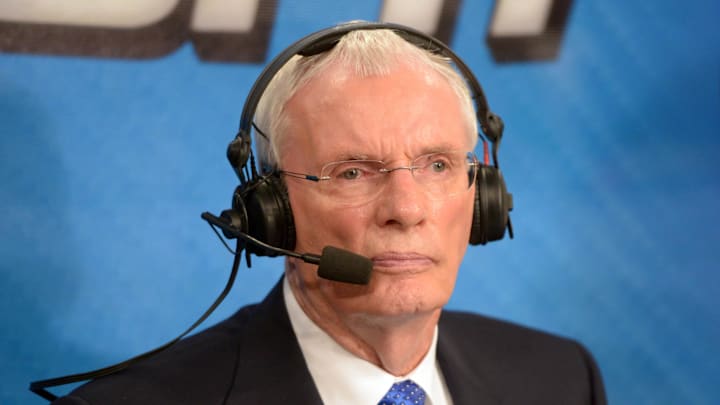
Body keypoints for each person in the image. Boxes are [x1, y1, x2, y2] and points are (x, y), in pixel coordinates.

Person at [52, 22, 606, 405]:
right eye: (352, 173)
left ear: (481, 194)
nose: (406, 210)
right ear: (272, 215)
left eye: (437, 165)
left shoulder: (560, 377)